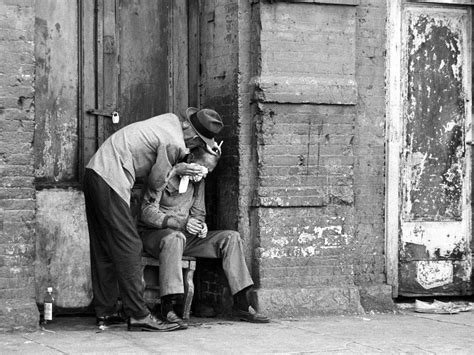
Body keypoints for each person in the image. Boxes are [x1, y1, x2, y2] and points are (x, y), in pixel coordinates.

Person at [83, 107, 223, 331]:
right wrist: (176, 170)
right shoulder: (174, 142)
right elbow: (156, 183)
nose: (194, 145)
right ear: (189, 129)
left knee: (103, 246)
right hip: (111, 176)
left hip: (94, 172)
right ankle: (139, 315)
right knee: (130, 245)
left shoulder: (169, 120)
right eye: (197, 141)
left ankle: (106, 311)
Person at [138, 145, 270, 329]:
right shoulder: (164, 174)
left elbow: (198, 213)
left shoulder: (198, 181)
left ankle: (242, 303)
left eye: (209, 171)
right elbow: (146, 212)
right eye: (202, 167)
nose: (204, 173)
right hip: (156, 236)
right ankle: (168, 307)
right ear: (190, 158)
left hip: (185, 237)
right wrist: (179, 223)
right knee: (174, 238)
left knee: (230, 238)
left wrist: (200, 226)